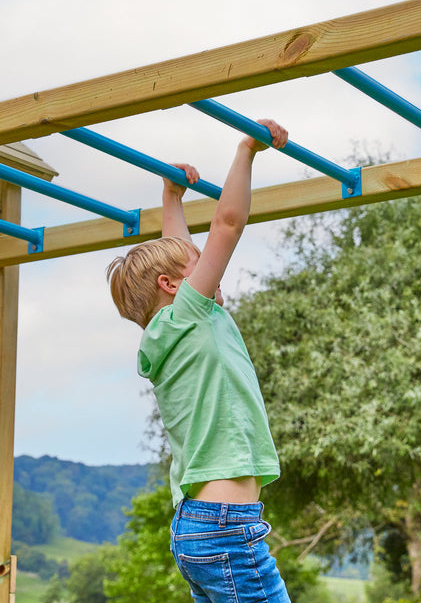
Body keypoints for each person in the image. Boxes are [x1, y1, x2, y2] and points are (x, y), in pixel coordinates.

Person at [106, 118, 291, 603]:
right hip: (226, 531)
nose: (206, 270)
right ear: (174, 288)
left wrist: (171, 198)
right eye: (195, 268)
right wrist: (246, 149)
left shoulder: (166, 332)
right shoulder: (190, 313)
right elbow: (227, 225)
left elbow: (178, 254)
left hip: (198, 529)